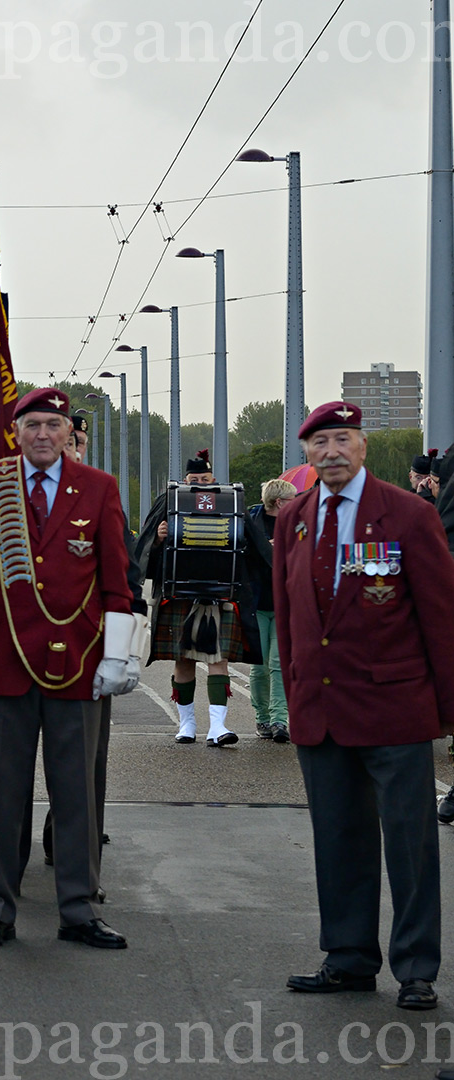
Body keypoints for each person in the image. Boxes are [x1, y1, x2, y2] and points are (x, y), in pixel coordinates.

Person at [274, 401, 454, 1011]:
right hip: (321, 713)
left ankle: (416, 968)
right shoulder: (294, 518)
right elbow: (294, 623)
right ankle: (348, 959)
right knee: (339, 839)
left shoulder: (409, 514)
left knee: (410, 846)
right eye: (320, 442)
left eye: (343, 439)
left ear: (363, 447)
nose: (331, 452)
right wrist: (296, 695)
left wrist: (449, 710)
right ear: (306, 453)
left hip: (394, 710)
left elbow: (441, 619)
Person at [0, 388, 138, 951]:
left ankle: (78, 908)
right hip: (3, 660)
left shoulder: (99, 489)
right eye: (32, 425)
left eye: (53, 425)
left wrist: (116, 654)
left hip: (77, 663)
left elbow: (115, 580)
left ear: (67, 432)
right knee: (1, 795)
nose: (42, 435)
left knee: (77, 792)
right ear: (16, 433)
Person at [34, 411, 144, 890]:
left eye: (75, 440)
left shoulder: (97, 494)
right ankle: (8, 861)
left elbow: (127, 575)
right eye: (65, 438)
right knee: (7, 774)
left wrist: (121, 651)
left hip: (84, 653)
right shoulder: (16, 494)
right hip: (21, 650)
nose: (68, 447)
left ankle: (76, 848)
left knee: (84, 765)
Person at [134, 450, 262, 747]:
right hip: (179, 594)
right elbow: (143, 547)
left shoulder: (230, 501)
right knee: (183, 661)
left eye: (205, 479)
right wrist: (159, 538)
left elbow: (250, 546)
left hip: (218, 594)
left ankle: (218, 726)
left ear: (213, 479)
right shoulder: (171, 499)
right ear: (186, 479)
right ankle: (187, 724)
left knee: (219, 659)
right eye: (195, 479)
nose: (201, 484)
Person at [246, 478, 297, 743]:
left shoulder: (298, 524)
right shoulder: (250, 522)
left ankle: (279, 719)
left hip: (285, 603)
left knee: (280, 665)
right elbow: (241, 556)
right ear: (280, 502)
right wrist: (267, 548)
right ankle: (262, 717)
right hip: (257, 602)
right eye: (292, 499)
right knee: (260, 665)